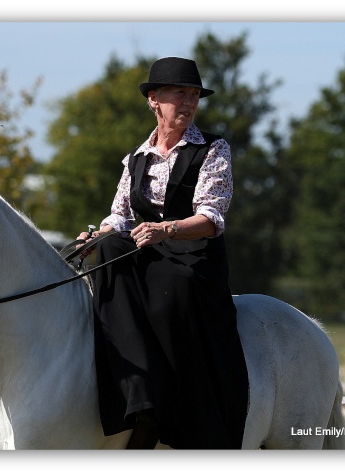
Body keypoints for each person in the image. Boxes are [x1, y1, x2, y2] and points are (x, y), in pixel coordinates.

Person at [78, 57, 249, 449]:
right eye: (179, 94)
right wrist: (94, 236)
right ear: (154, 100)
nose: (188, 103)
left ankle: (170, 409)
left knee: (174, 283)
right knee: (106, 249)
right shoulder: (135, 158)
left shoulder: (212, 149)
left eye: (194, 96)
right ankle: (136, 389)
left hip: (193, 259)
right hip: (148, 250)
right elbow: (119, 217)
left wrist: (166, 229)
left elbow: (210, 217)